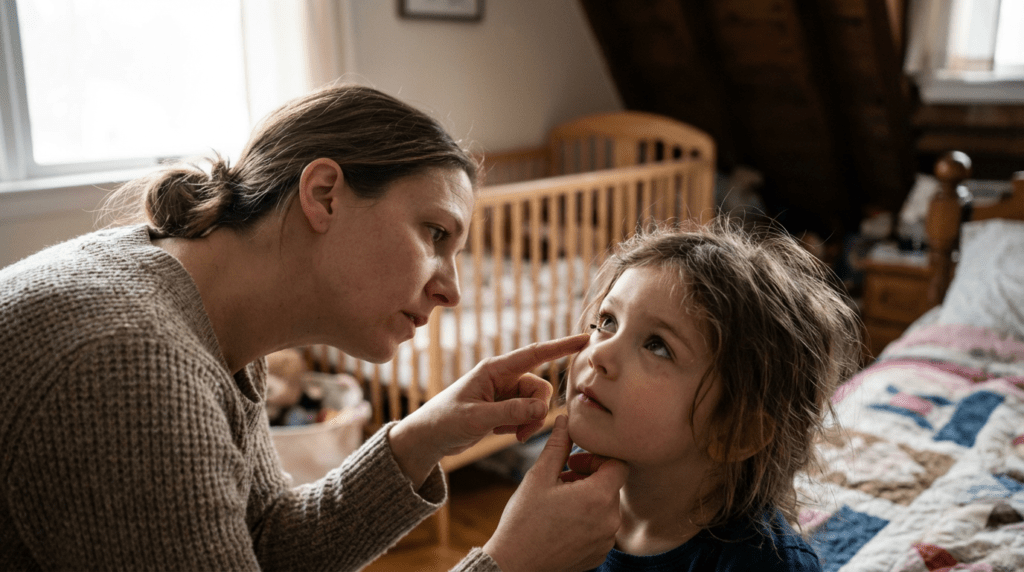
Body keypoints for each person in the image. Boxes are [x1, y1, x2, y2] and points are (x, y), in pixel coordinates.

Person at [0, 84, 628, 571]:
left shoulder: (206, 308)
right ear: (325, 193)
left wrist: (420, 437)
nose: (452, 289)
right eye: (436, 234)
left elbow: (266, 542)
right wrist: (512, 562)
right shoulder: (129, 365)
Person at [561, 221, 862, 571]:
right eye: (608, 322)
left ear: (736, 432)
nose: (599, 354)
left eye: (657, 346)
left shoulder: (763, 565)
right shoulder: (563, 491)